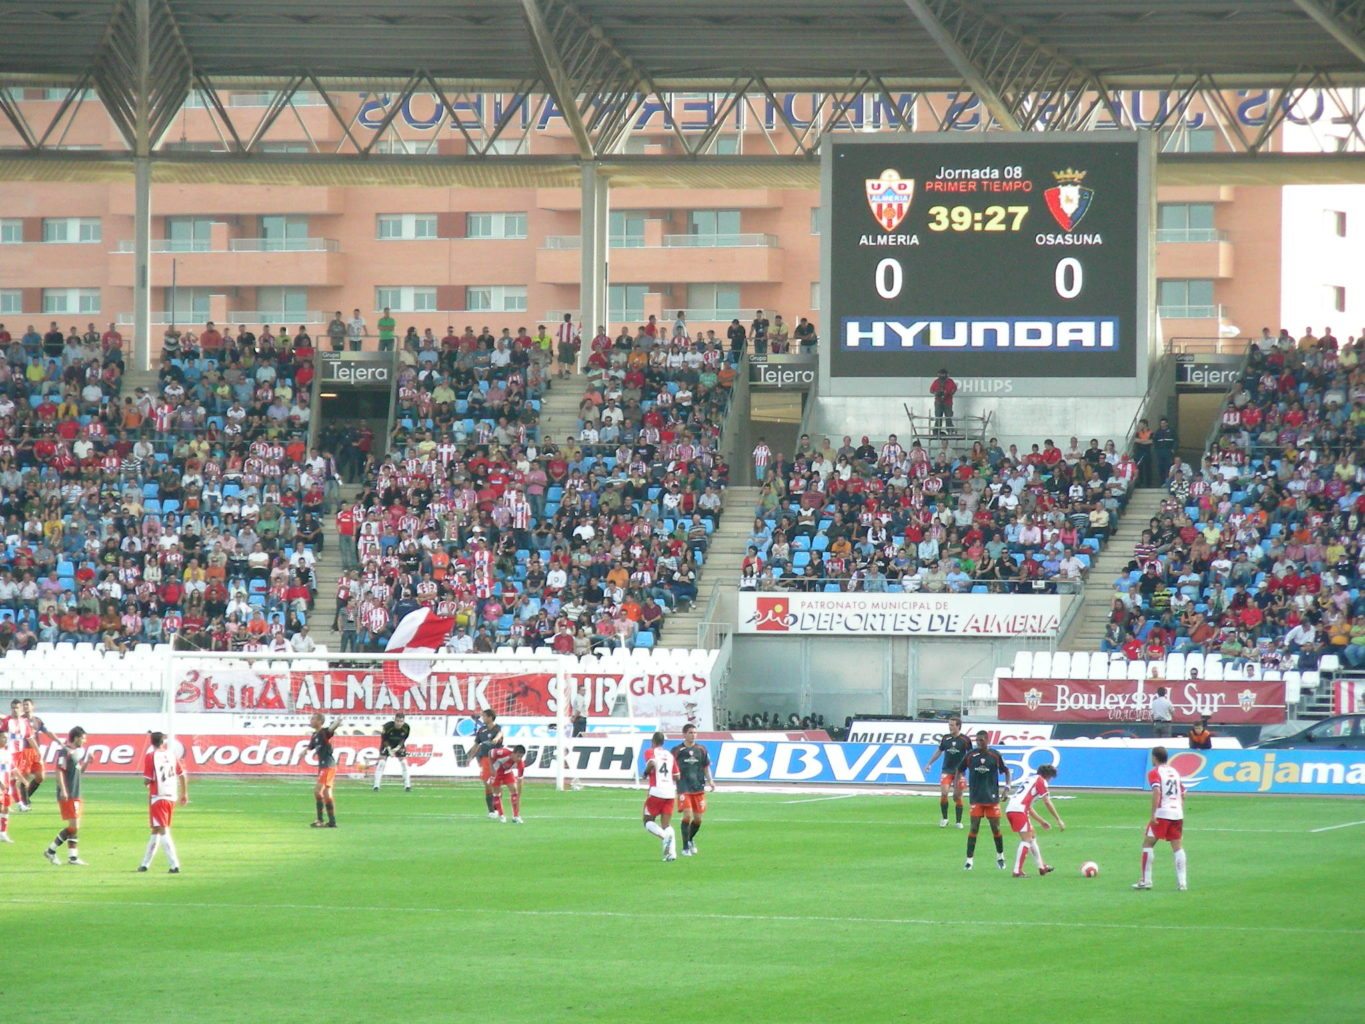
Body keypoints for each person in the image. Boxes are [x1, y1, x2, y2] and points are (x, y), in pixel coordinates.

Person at [1134, 746, 1187, 891]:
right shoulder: (1174, 772)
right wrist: (1179, 808)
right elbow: (1183, 793)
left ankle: (1146, 881)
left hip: (1162, 813)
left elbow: (1157, 791)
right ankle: (1182, 883)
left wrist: (1153, 814)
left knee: (1147, 844)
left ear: (1154, 757)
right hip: (1177, 814)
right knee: (1177, 847)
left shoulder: (1154, 772)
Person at [139, 731, 188, 873]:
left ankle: (174, 865)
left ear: (151, 742)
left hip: (158, 796)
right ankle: (145, 864)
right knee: (155, 830)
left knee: (162, 829)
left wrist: (146, 783)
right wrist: (184, 793)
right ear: (163, 742)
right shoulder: (171, 755)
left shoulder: (150, 756)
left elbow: (147, 779)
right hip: (171, 795)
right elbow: (182, 774)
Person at [962, 730, 1010, 870]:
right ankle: (969, 860)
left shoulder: (995, 755)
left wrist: (1007, 787)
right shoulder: (971, 755)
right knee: (974, 827)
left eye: (981, 740)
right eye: (977, 740)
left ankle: (1000, 857)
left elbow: (1006, 771)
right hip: (976, 798)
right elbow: (960, 769)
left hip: (992, 798)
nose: (978, 743)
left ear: (987, 740)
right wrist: (959, 784)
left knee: (996, 828)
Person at [1005, 763, 1064, 877]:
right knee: (1026, 840)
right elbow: (1047, 801)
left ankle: (1042, 867)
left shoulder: (1031, 779)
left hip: (1014, 809)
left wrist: (1041, 821)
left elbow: (1029, 807)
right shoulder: (1041, 781)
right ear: (1048, 776)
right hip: (1019, 810)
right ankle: (1017, 871)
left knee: (1031, 837)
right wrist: (1058, 820)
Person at [44, 727, 88, 866]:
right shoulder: (65, 752)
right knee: (74, 826)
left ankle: (72, 857)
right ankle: (51, 850)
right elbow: (58, 771)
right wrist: (63, 790)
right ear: (76, 738)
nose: (84, 741)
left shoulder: (76, 753)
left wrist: (88, 761)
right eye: (83, 738)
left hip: (76, 792)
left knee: (75, 826)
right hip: (69, 794)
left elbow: (80, 771)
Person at [671, 724, 714, 856]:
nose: (693, 735)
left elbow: (706, 767)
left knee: (698, 819)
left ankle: (690, 839)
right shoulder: (677, 750)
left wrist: (711, 781)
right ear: (684, 734)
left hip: (698, 787)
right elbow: (671, 767)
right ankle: (685, 848)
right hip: (683, 787)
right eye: (690, 733)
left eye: (695, 733)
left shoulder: (701, 749)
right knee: (687, 815)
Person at [924, 715, 970, 828]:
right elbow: (939, 751)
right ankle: (945, 819)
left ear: (958, 726)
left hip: (959, 772)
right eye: (949, 725)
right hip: (947, 770)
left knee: (957, 797)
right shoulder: (945, 738)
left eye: (952, 725)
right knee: (944, 793)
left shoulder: (965, 740)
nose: (950, 727)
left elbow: (971, 755)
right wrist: (929, 763)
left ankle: (958, 821)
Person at [640, 731, 679, 862]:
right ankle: (671, 854)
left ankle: (664, 837)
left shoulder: (650, 751)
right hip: (670, 792)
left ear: (653, 741)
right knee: (666, 824)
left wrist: (645, 773)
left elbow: (651, 763)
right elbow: (677, 776)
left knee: (647, 821)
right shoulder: (670, 755)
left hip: (657, 791)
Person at [307, 713, 344, 828]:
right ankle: (332, 822)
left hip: (328, 765)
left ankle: (320, 820)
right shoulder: (315, 735)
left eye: (313, 719)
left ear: (319, 721)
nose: (311, 720)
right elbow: (310, 747)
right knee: (327, 794)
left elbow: (331, 729)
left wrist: (337, 722)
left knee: (317, 791)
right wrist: (304, 752)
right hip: (323, 766)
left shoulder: (324, 732)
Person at [471, 709, 504, 819]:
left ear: (490, 717)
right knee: (487, 783)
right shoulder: (481, 730)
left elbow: (500, 734)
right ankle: (491, 811)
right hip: (485, 759)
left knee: (496, 784)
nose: (483, 718)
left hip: (496, 759)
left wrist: (496, 739)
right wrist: (470, 757)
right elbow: (476, 744)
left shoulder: (497, 728)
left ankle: (497, 808)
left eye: (484, 716)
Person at [20, 698, 55, 800]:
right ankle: (24, 802)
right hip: (24, 751)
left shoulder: (38, 721)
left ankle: (25, 798)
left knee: (40, 777)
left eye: (27, 704)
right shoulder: (20, 720)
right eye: (24, 705)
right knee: (25, 776)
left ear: (32, 706)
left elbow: (47, 731)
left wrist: (58, 741)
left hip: (35, 751)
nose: (25, 707)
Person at [4, 698, 33, 810]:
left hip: (19, 754)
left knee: (12, 780)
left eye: (17, 708)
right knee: (11, 778)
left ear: (20, 709)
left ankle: (9, 803)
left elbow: (29, 737)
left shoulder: (24, 722)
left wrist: (37, 751)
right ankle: (19, 804)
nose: (15, 710)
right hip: (8, 754)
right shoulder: (7, 721)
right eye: (13, 708)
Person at [487, 744, 527, 823]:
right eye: (518, 756)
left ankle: (516, 816)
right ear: (513, 753)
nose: (519, 759)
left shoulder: (521, 764)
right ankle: (502, 816)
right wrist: (491, 768)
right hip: (497, 772)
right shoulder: (503, 752)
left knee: (514, 791)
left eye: (521, 757)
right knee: (496, 793)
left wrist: (519, 795)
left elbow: (520, 780)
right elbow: (490, 753)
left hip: (507, 772)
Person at [373, 712, 412, 792]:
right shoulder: (387, 727)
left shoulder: (406, 727)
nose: (399, 723)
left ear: (403, 721)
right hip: (387, 744)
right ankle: (376, 785)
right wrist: (389, 749)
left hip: (398, 745)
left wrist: (397, 748)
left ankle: (407, 786)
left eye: (401, 721)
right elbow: (384, 739)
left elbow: (403, 739)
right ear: (394, 720)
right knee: (382, 763)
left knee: (404, 763)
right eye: (397, 721)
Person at [930, 368, 957, 435]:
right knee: (938, 416)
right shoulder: (936, 381)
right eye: (940, 374)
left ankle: (950, 430)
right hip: (938, 402)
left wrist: (947, 393)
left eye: (943, 374)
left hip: (947, 402)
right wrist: (937, 393)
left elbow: (954, 389)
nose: (942, 376)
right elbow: (931, 390)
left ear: (946, 374)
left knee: (948, 417)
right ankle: (936, 431)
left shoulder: (950, 381)